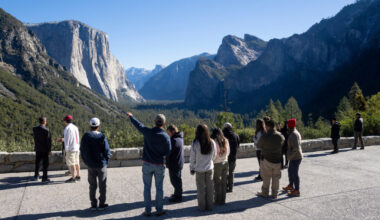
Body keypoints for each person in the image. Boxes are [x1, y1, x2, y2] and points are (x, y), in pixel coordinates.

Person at [127, 112, 171, 217]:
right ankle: (159, 209)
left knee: (147, 187)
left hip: (147, 164)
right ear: (164, 123)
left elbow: (139, 125)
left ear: (155, 122)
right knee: (159, 188)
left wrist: (131, 117)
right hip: (159, 164)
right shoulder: (166, 137)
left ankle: (147, 210)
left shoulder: (148, 132)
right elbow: (168, 152)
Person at [80, 118, 111, 211]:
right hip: (101, 164)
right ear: (98, 126)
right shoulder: (102, 136)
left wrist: (86, 161)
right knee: (102, 185)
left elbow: (82, 150)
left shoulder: (86, 136)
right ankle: (101, 204)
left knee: (92, 185)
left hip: (90, 165)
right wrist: (106, 160)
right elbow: (106, 150)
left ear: (90, 126)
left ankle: (93, 204)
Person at [190, 124, 217, 211]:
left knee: (200, 189)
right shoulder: (212, 142)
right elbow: (214, 155)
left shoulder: (195, 143)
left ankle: (201, 207)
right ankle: (210, 206)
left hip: (199, 169)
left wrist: (192, 168)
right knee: (210, 188)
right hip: (209, 168)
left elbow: (192, 158)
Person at [256, 119, 285, 199]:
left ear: (267, 126)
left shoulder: (265, 136)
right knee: (276, 177)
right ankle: (275, 194)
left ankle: (265, 193)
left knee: (266, 176)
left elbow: (258, 145)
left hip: (267, 159)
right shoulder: (279, 135)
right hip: (278, 159)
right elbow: (283, 141)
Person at [282, 119, 303, 197]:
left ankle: (297, 190)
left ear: (289, 125)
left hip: (296, 157)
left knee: (295, 173)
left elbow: (296, 148)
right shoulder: (293, 132)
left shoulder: (293, 134)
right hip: (294, 156)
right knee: (290, 171)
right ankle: (291, 186)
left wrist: (289, 156)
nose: (286, 126)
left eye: (287, 124)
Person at [57, 115, 81, 183]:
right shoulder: (75, 127)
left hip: (71, 148)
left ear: (65, 121)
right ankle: (78, 176)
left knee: (72, 163)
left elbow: (67, 140)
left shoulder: (67, 128)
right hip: (76, 147)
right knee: (77, 162)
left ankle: (73, 178)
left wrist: (66, 149)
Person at [166, 125, 184, 203]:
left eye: (169, 133)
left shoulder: (174, 141)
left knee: (175, 180)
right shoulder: (179, 138)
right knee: (177, 179)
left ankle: (178, 196)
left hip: (174, 164)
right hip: (178, 163)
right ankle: (177, 193)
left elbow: (169, 152)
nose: (168, 134)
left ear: (173, 132)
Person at [211, 128, 230, 205]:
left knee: (217, 183)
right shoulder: (225, 140)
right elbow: (228, 152)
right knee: (224, 182)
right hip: (225, 162)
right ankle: (223, 200)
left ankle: (217, 200)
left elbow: (214, 154)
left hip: (217, 163)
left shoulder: (214, 142)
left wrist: (214, 160)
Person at [32, 116, 52, 183]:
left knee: (37, 162)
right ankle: (44, 178)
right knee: (45, 164)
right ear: (45, 122)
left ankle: (36, 176)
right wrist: (49, 150)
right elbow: (49, 141)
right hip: (45, 150)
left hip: (38, 148)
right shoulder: (47, 130)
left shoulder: (34, 129)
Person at [222, 123, 240, 193]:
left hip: (225, 157)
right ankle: (231, 187)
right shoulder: (236, 135)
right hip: (233, 156)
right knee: (231, 172)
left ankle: (225, 187)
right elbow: (238, 145)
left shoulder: (222, 135)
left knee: (224, 173)